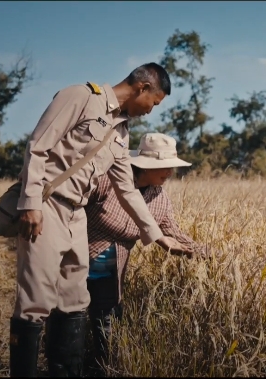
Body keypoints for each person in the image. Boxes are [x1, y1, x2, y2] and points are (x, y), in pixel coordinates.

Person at [9, 63, 195, 377]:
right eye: (154, 102)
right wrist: (30, 204)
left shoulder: (121, 133)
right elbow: (37, 146)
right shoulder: (80, 97)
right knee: (35, 300)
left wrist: (159, 236)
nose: (151, 110)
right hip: (48, 205)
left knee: (75, 299)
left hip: (76, 214)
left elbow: (127, 190)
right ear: (142, 88)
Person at [82, 132, 220, 375]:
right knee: (70, 312)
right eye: (164, 167)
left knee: (108, 315)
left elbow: (171, 230)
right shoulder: (108, 180)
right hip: (79, 254)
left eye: (171, 168)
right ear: (144, 167)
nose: (169, 173)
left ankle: (102, 367)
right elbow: (74, 207)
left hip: (114, 264)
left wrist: (206, 252)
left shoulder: (158, 196)